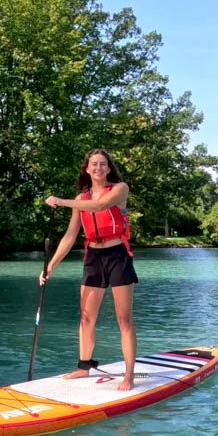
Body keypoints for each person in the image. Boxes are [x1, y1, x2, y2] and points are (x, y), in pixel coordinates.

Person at [40, 148, 138, 390]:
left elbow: (100, 205)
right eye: (94, 164)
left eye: (103, 164)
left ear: (108, 168)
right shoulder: (80, 199)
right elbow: (70, 235)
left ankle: (129, 374)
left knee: (123, 318)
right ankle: (84, 366)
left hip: (117, 255)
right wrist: (49, 267)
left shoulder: (119, 189)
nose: (98, 168)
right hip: (93, 256)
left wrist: (61, 201)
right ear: (87, 168)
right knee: (85, 316)